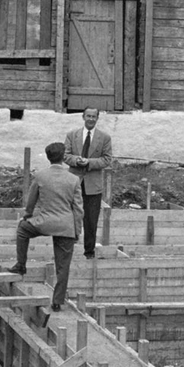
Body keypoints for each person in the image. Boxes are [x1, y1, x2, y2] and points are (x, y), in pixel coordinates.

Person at [9, 142, 83, 312]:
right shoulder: (73, 179)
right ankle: (57, 302)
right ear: (63, 157)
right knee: (63, 266)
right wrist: (77, 230)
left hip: (44, 222)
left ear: (48, 157)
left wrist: (28, 215)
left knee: (22, 230)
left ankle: (21, 264)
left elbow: (31, 200)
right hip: (66, 225)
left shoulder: (41, 176)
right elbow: (78, 209)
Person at [65, 107, 112, 258]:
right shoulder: (72, 135)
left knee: (91, 220)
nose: (91, 119)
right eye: (88, 116)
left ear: (97, 118)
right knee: (71, 217)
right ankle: (67, 249)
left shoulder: (104, 138)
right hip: (74, 182)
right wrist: (77, 160)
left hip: (93, 186)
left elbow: (107, 159)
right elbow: (65, 155)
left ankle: (89, 252)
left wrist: (89, 162)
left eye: (94, 116)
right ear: (83, 117)